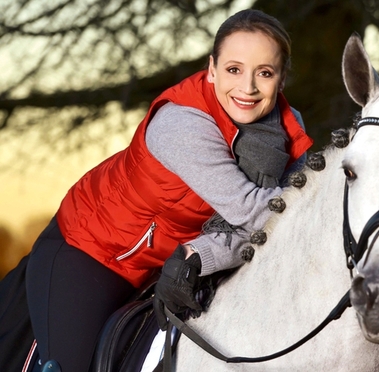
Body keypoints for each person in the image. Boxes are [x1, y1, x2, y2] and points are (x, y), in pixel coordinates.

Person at [19, 9, 312, 372]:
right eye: (234, 69)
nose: (248, 87)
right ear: (212, 69)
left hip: (169, 265)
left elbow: (276, 223)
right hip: (91, 250)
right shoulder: (181, 125)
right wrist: (314, 202)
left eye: (264, 73)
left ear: (281, 80)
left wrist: (200, 253)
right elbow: (258, 213)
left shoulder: (286, 129)